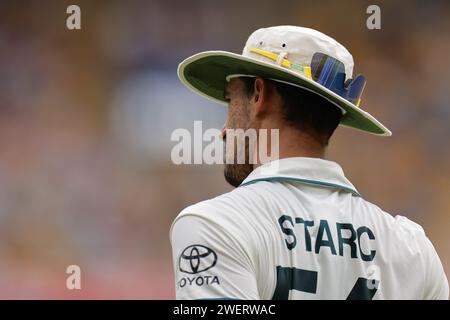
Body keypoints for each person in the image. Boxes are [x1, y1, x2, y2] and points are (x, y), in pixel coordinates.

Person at [170, 26, 449, 299]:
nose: (223, 131)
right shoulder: (412, 247)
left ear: (258, 95)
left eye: (231, 102)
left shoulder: (215, 225)